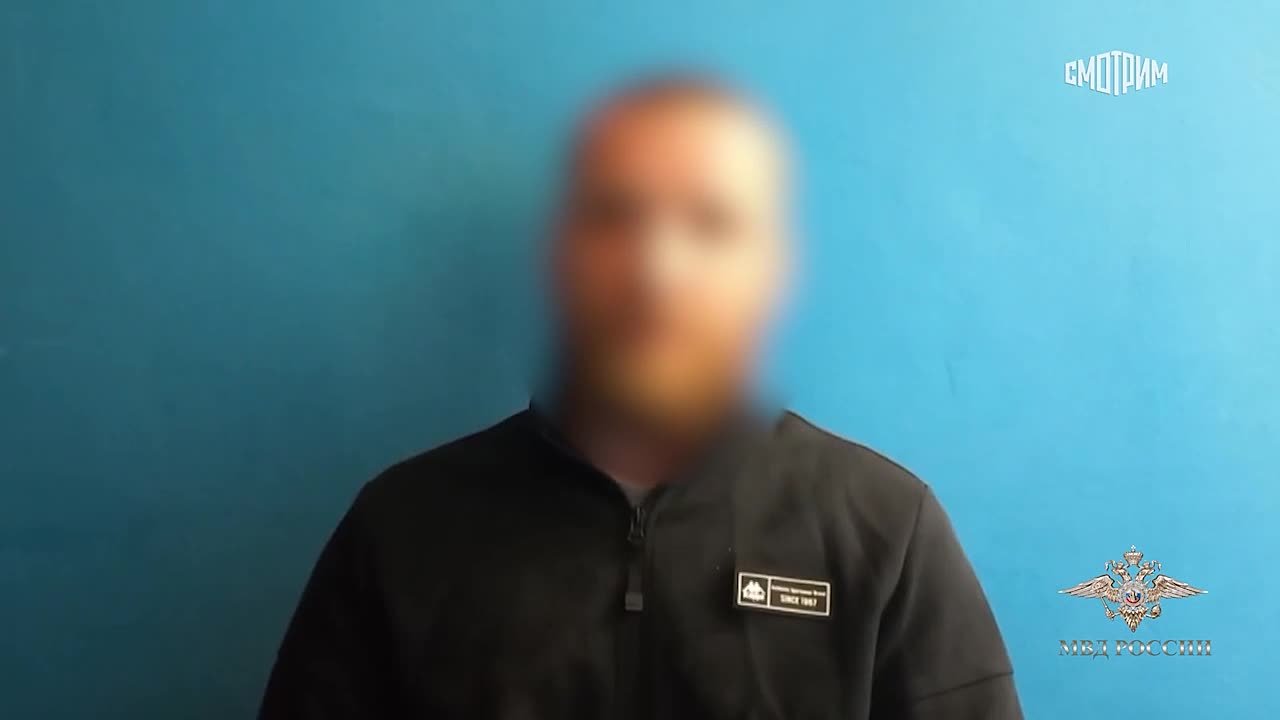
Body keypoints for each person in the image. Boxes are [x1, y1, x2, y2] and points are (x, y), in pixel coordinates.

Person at [259, 74, 1021, 719]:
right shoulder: (403, 527)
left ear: (772, 269)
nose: (657, 270)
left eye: (711, 223)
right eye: (615, 217)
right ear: (560, 256)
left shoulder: (885, 532)